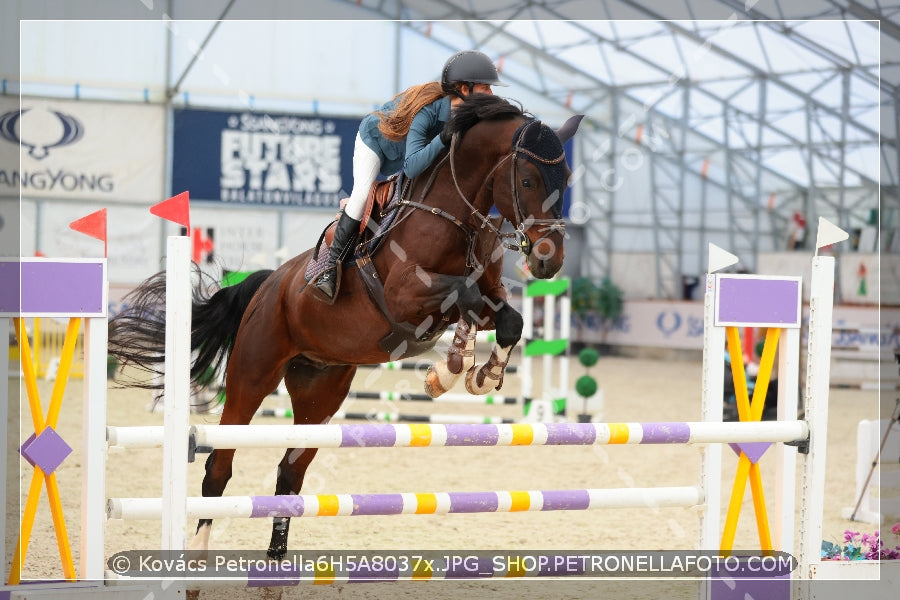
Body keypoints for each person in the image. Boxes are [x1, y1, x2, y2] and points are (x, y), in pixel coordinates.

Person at [313, 50, 507, 302]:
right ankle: (330, 268)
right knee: (361, 194)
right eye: (485, 88)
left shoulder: (470, 117)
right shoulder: (426, 112)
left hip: (406, 156)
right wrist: (443, 137)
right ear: (463, 89)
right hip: (376, 144)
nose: (491, 94)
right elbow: (412, 166)